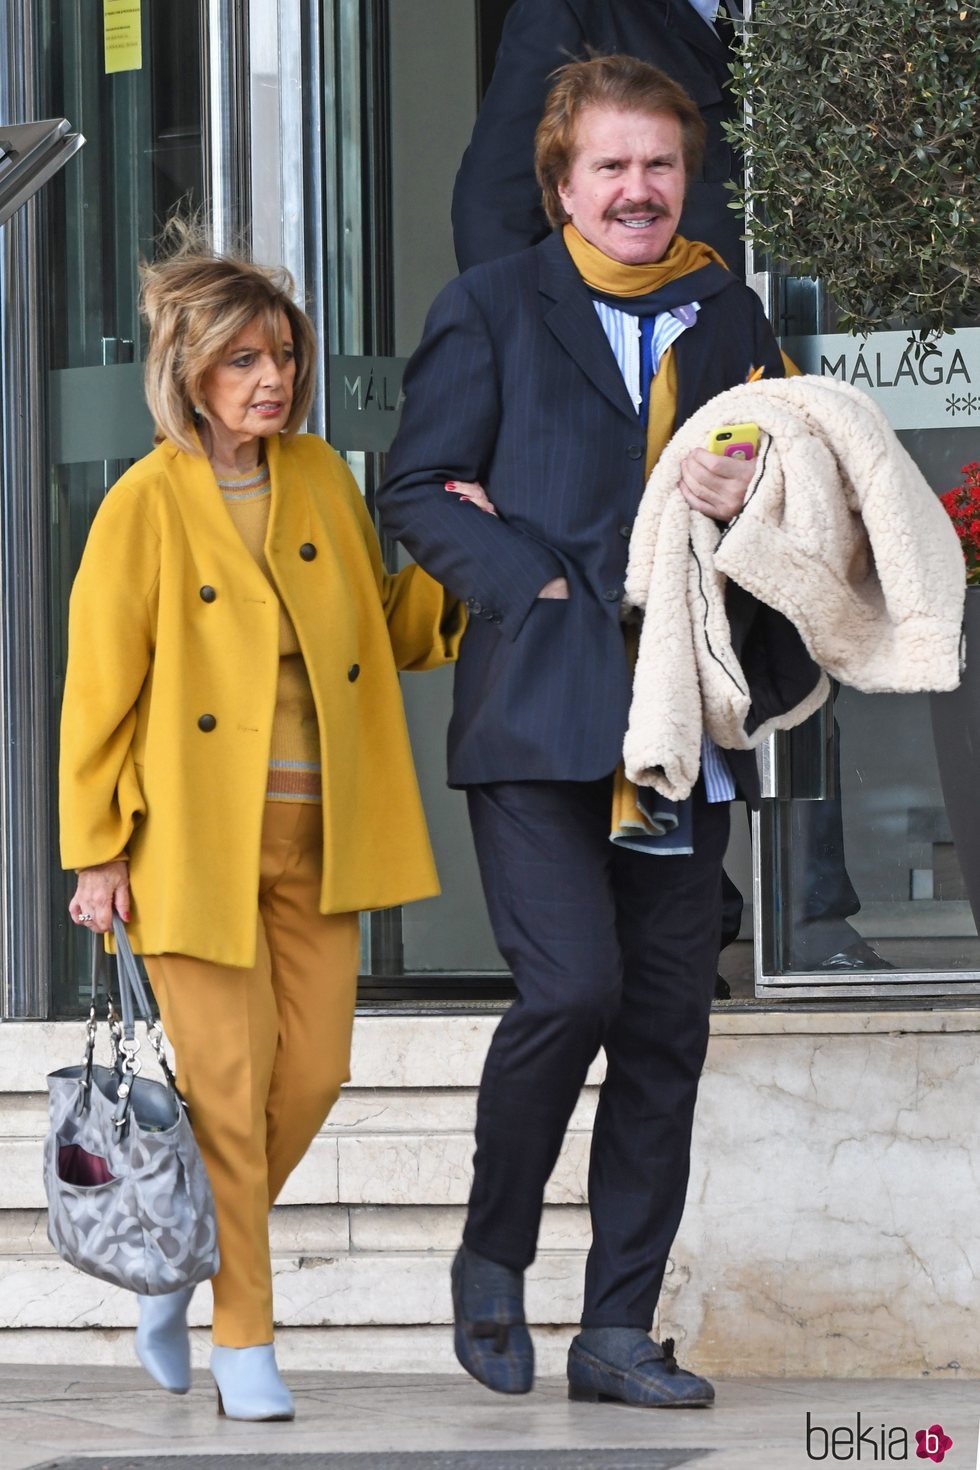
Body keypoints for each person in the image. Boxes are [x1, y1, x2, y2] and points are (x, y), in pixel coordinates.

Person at [377, 54, 823, 1406]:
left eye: (661, 166)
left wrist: (757, 490)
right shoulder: (491, 307)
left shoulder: (726, 310)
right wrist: (539, 578)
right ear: (562, 183)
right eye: (613, 167)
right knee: (571, 987)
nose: (639, 190)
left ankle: (616, 1328)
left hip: (683, 717)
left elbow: (794, 480)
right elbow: (416, 488)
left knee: (667, 1027)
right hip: (540, 712)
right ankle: (492, 1257)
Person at [59, 226, 462, 1422]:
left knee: (319, 1072)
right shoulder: (143, 504)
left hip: (322, 841)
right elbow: (98, 687)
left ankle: (174, 1252)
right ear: (188, 372)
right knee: (227, 1098)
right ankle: (245, 1336)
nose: (270, 379)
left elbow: (384, 631)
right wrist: (94, 850)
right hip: (188, 851)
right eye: (241, 360)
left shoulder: (323, 478)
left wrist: (455, 548)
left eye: (280, 355)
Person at [454, 0, 885, 979]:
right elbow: (488, 207)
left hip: (762, 365)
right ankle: (741, 916)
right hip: (637, 399)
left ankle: (787, 913)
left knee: (780, 620)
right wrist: (538, 390)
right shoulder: (571, 10)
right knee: (658, 655)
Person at [452, 0, 745, 274]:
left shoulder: (758, 12)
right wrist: (527, 322)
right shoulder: (567, 9)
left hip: (749, 311)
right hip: (635, 313)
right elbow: (497, 202)